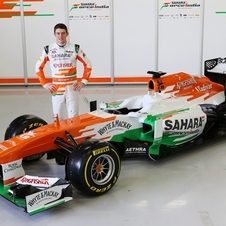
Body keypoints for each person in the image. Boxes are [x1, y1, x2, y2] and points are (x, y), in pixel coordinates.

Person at [35, 23, 92, 120]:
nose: (60, 36)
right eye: (58, 33)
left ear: (67, 34)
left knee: (74, 119)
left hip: (72, 89)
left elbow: (88, 64)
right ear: (54, 34)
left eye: (63, 33)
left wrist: (83, 82)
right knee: (58, 119)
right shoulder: (48, 49)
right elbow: (38, 67)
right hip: (57, 89)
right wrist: (45, 84)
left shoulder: (75, 48)